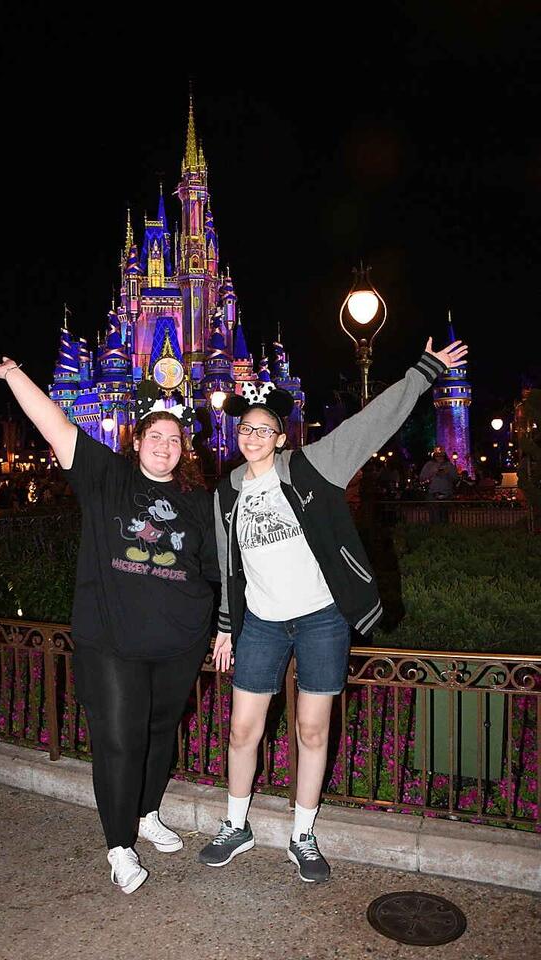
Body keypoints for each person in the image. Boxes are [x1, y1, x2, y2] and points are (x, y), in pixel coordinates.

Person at [199, 338, 467, 883]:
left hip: (321, 617)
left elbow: (374, 421)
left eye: (262, 429)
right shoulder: (226, 491)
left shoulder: (312, 466)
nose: (252, 437)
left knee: (312, 730)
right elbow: (230, 566)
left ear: (279, 436)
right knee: (242, 730)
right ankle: (235, 824)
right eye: (244, 429)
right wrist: (227, 626)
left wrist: (425, 371)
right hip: (263, 623)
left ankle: (302, 833)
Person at [0, 358, 219, 895]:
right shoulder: (105, 476)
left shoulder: (198, 503)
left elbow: (216, 570)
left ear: (184, 451)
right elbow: (56, 425)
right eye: (154, 435)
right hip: (111, 641)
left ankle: (148, 813)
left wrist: (222, 627)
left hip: (179, 643)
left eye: (174, 439)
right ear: (136, 442)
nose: (164, 444)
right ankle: (119, 844)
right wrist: (18, 375)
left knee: (160, 733)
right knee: (118, 738)